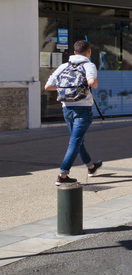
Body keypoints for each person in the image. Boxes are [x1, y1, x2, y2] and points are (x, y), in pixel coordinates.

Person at [45, 40, 102, 185]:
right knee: (75, 141)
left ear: (74, 53)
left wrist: (67, 88)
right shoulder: (89, 65)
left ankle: (91, 167)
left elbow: (48, 86)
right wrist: (93, 84)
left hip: (66, 109)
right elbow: (92, 82)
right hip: (83, 109)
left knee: (77, 140)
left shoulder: (63, 66)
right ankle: (62, 175)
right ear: (89, 52)